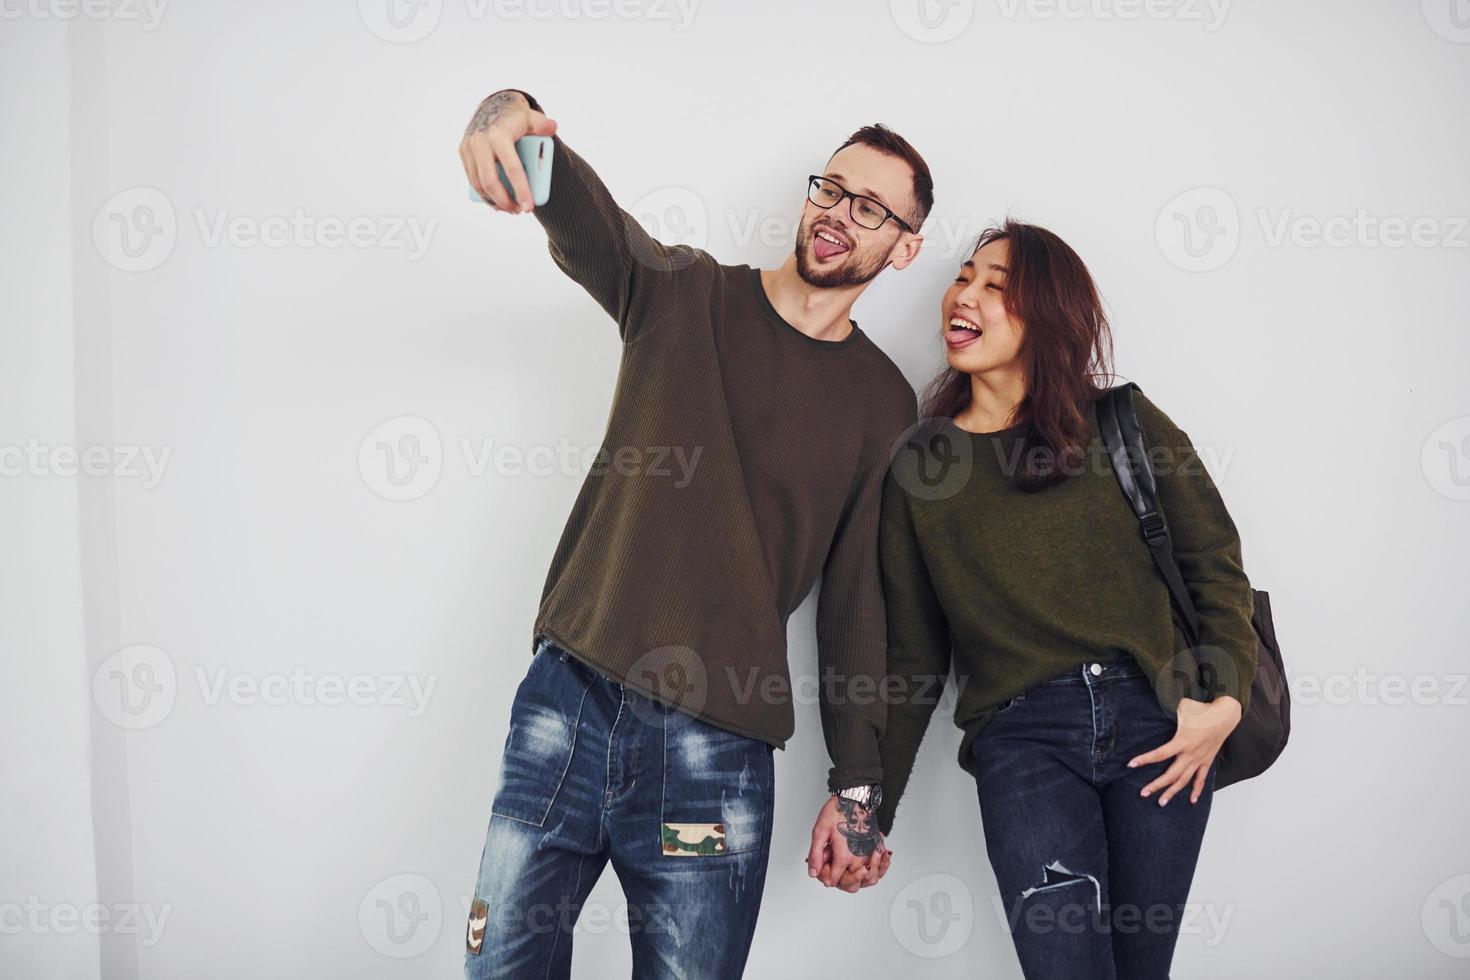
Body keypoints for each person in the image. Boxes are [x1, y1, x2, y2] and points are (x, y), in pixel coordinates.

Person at [457, 88, 928, 979]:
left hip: (714, 748)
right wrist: (512, 117)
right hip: (571, 701)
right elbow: (587, 221)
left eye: (871, 208)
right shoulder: (683, 293)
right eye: (832, 189)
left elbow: (857, 605)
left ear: (904, 246)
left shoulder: (881, 404)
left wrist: (858, 791)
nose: (838, 215)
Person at [873, 221, 1257, 978]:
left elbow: (1215, 564)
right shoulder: (922, 464)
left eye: (997, 286)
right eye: (964, 277)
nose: (965, 294)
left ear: (1047, 315)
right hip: (1024, 741)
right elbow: (912, 657)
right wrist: (868, 808)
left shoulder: (1124, 422)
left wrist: (1227, 699)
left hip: (1160, 723)